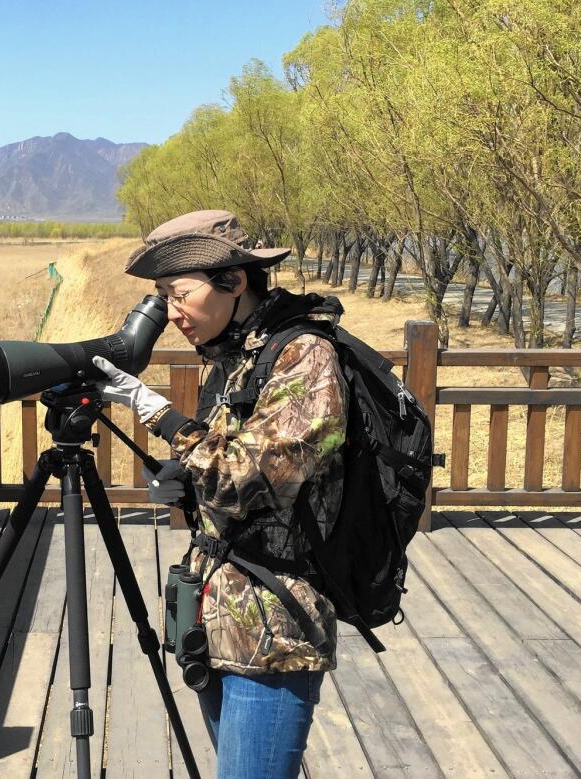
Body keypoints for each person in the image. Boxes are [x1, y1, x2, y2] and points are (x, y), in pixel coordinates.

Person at [92, 209, 349, 779]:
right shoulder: (236, 357)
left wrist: (158, 414)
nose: (171, 314)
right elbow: (227, 474)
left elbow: (253, 474)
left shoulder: (305, 355)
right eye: (162, 297)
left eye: (178, 294)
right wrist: (186, 477)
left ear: (234, 281)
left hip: (274, 634)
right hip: (217, 619)